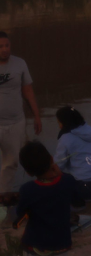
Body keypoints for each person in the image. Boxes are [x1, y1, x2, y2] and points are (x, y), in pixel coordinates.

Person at [0, 32, 41, 198]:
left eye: (7, 45)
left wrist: (36, 116)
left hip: (15, 122)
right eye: (0, 46)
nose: (4, 49)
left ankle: (2, 198)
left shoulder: (20, 64)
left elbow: (28, 90)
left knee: (11, 162)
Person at [52, 107, 91, 211]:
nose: (59, 126)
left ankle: (78, 203)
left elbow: (58, 166)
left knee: (59, 175)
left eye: (59, 122)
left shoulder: (66, 138)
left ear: (64, 122)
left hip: (88, 187)